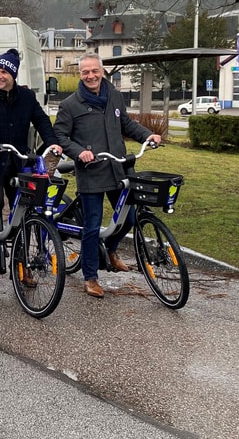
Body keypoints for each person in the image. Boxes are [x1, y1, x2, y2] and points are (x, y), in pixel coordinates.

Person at [53, 52, 161, 298]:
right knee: (92, 226)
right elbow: (60, 136)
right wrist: (79, 152)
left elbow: (126, 124)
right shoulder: (70, 105)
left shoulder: (114, 96)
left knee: (129, 219)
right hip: (91, 171)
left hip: (117, 168)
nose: (90, 76)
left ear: (102, 72)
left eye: (95, 71)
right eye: (85, 72)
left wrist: (147, 135)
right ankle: (90, 277)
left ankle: (111, 249)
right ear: (80, 74)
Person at [0, 48, 62, 269]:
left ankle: (21, 263)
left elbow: (41, 120)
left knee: (24, 208)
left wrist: (52, 142)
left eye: (4, 72)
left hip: (18, 162)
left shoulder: (26, 97)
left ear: (13, 75)